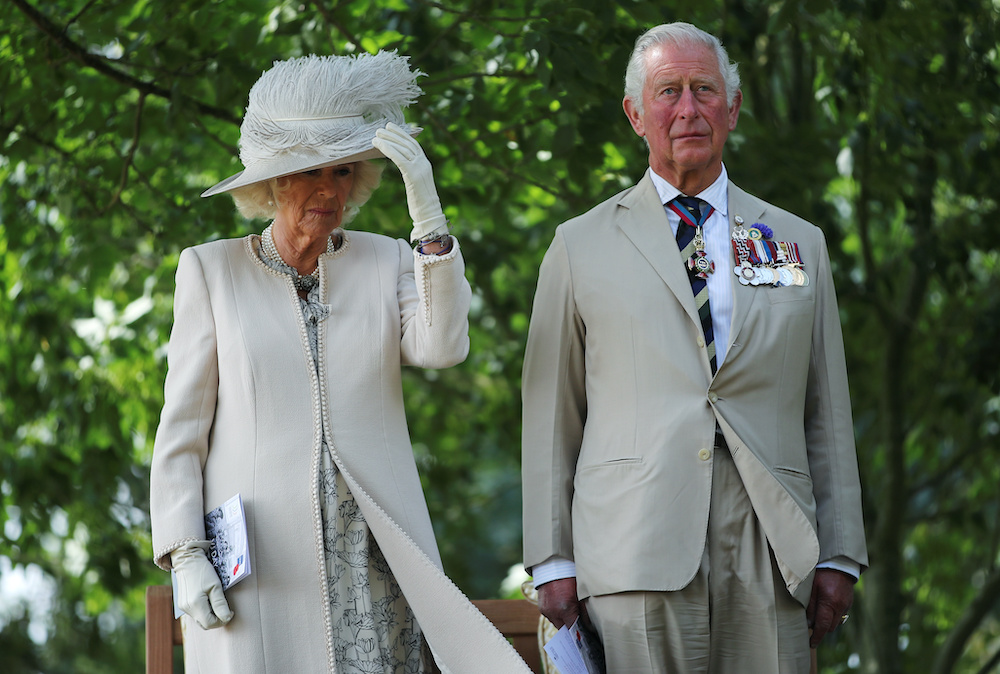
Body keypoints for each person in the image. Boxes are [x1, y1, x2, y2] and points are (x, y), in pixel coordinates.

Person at [150, 51, 529, 673]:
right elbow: (181, 432)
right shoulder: (211, 271)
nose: (330, 189)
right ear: (272, 183)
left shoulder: (383, 260)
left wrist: (429, 225)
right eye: (311, 173)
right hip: (264, 570)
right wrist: (185, 551)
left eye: (345, 172)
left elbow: (442, 347)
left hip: (375, 556)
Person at [521, 22, 868, 672]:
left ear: (732, 108)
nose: (688, 109)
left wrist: (840, 550)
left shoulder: (795, 243)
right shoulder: (578, 247)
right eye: (668, 91)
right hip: (632, 547)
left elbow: (827, 408)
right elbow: (550, 415)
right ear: (635, 113)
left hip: (772, 547)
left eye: (704, 90)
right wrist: (552, 556)